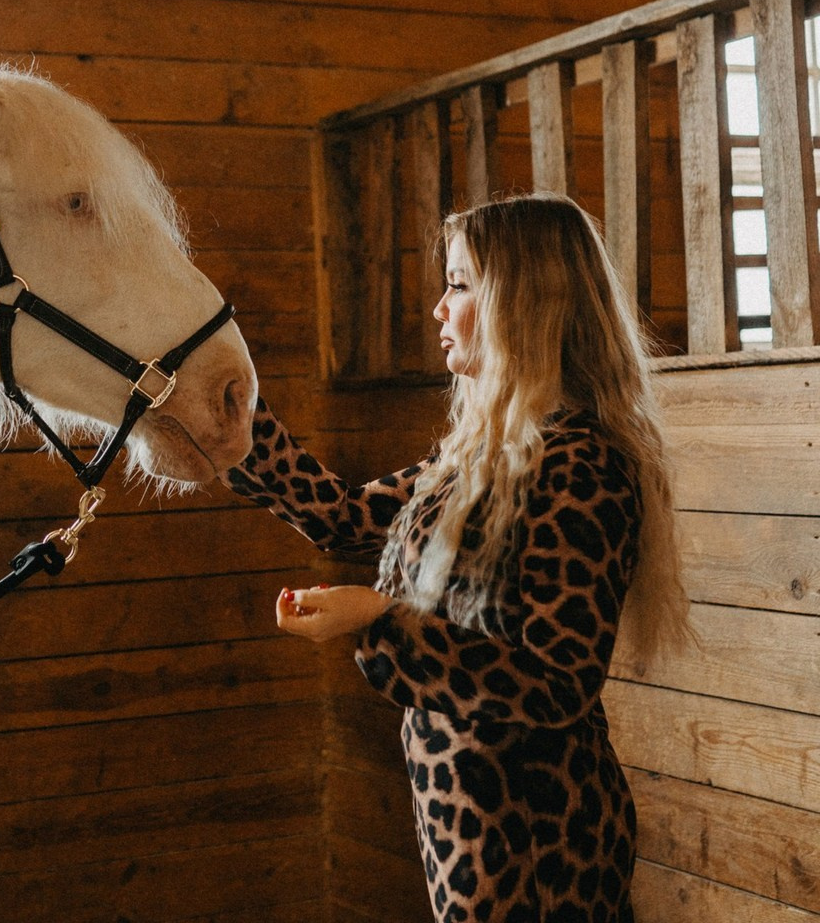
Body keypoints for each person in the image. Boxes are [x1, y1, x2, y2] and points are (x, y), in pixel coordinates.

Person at [222, 193, 690, 923]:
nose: (440, 308)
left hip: (540, 842)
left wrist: (378, 619)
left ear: (522, 302)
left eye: (460, 284)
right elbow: (345, 518)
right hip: (471, 835)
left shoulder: (581, 468)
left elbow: (557, 683)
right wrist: (226, 418)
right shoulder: (479, 454)